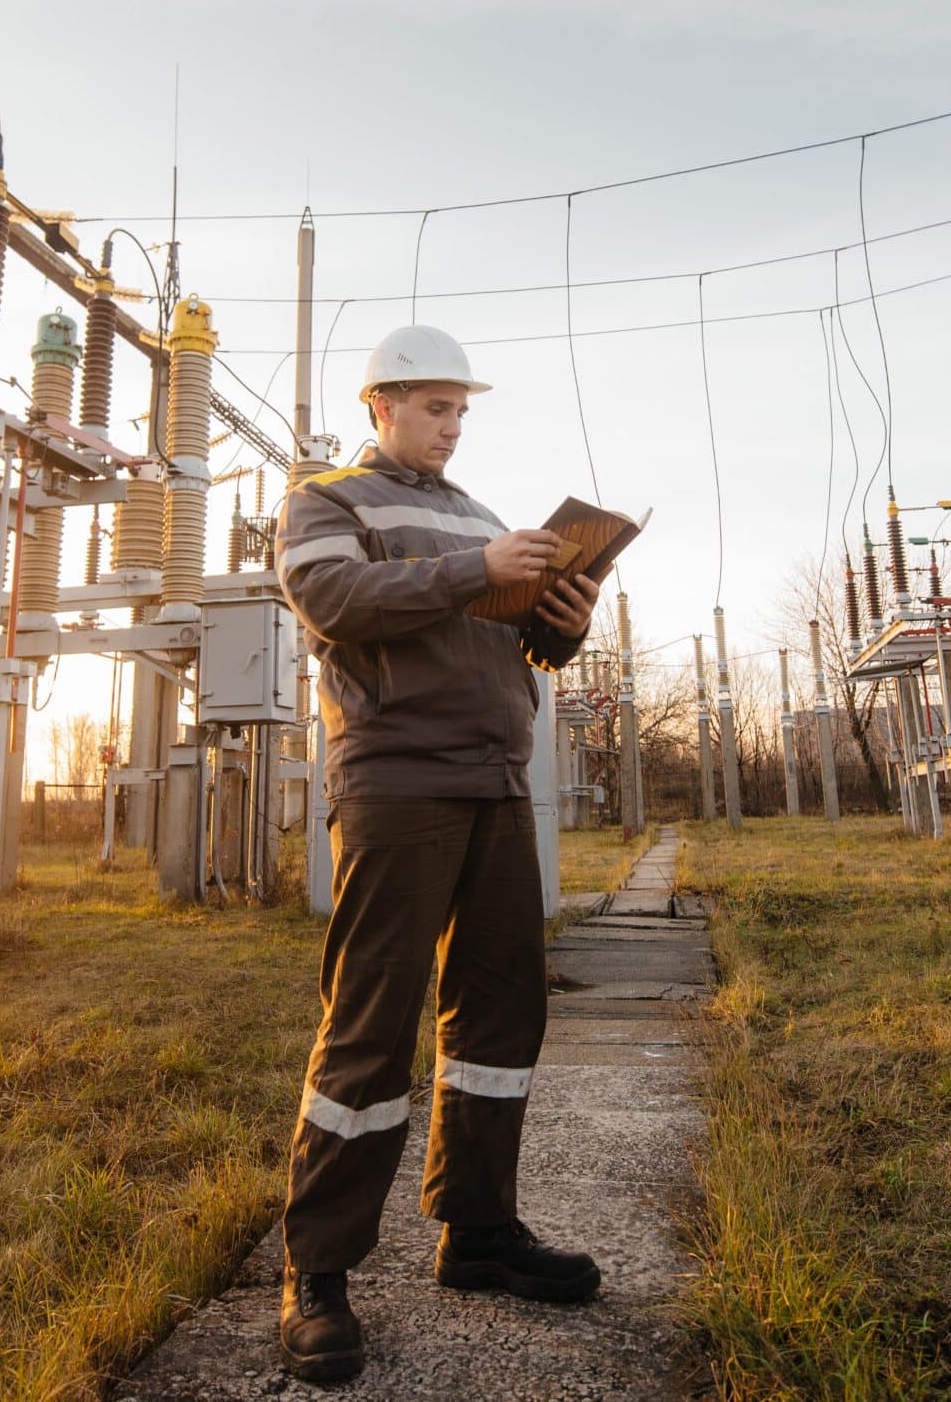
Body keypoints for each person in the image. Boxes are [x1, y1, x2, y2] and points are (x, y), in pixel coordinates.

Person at [270, 324, 602, 1384]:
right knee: (370, 1022)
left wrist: (565, 616)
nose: (450, 426)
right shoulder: (327, 500)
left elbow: (521, 645)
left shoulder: (487, 519)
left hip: (497, 781)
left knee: (501, 1016)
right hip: (397, 780)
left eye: (461, 409)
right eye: (431, 407)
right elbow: (334, 602)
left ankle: (478, 1230)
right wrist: (476, 570)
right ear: (380, 405)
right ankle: (317, 1272)